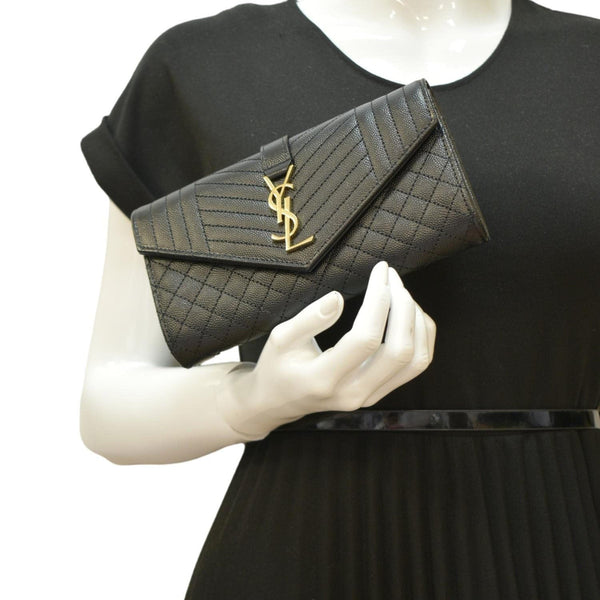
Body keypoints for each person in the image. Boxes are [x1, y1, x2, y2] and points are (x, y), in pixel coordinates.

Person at [80, 0, 600, 597]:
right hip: (299, 548)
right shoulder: (200, 65)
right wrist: (252, 398)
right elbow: (107, 402)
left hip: (562, 538)